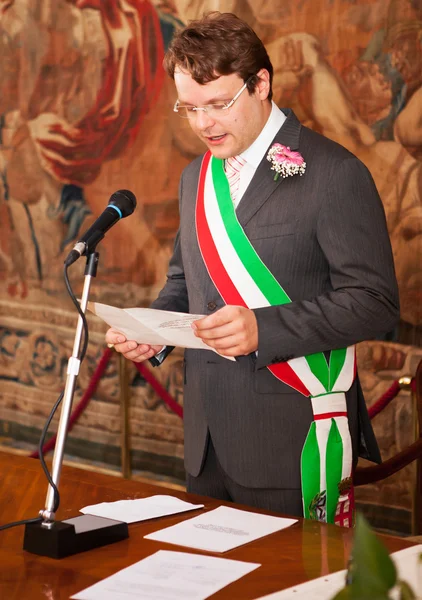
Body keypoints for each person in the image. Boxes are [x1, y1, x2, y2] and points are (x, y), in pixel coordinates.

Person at [105, 12, 399, 525]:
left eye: (219, 104)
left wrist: (264, 328)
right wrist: (154, 332)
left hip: (291, 440)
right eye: (189, 109)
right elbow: (184, 281)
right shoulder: (194, 176)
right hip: (206, 440)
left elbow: (375, 304)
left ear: (261, 83)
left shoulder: (335, 174)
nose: (203, 124)